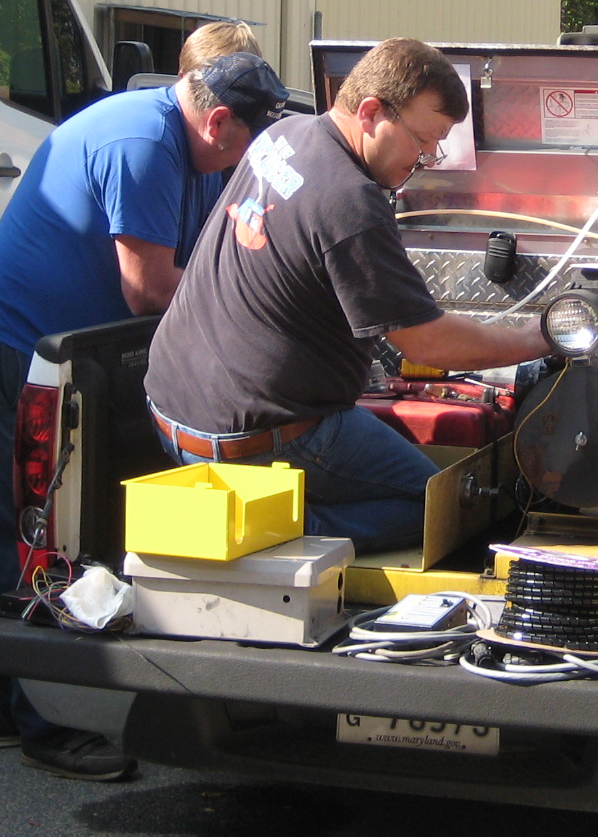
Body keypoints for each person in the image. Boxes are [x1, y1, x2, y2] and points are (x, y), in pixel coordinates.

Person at [0, 23, 289, 780]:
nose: (245, 161)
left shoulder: (202, 147)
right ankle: (23, 714)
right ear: (216, 120)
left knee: (93, 514)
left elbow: (220, 253)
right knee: (26, 524)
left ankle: (7, 701)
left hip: (84, 346)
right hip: (7, 341)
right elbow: (154, 288)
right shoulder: (144, 145)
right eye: (243, 144)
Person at [144, 38, 551, 551]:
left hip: (168, 412)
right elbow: (428, 346)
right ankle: (276, 533)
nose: (425, 158)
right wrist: (539, 337)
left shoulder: (284, 135)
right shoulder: (351, 201)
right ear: (371, 111)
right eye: (422, 142)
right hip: (253, 445)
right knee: (440, 505)